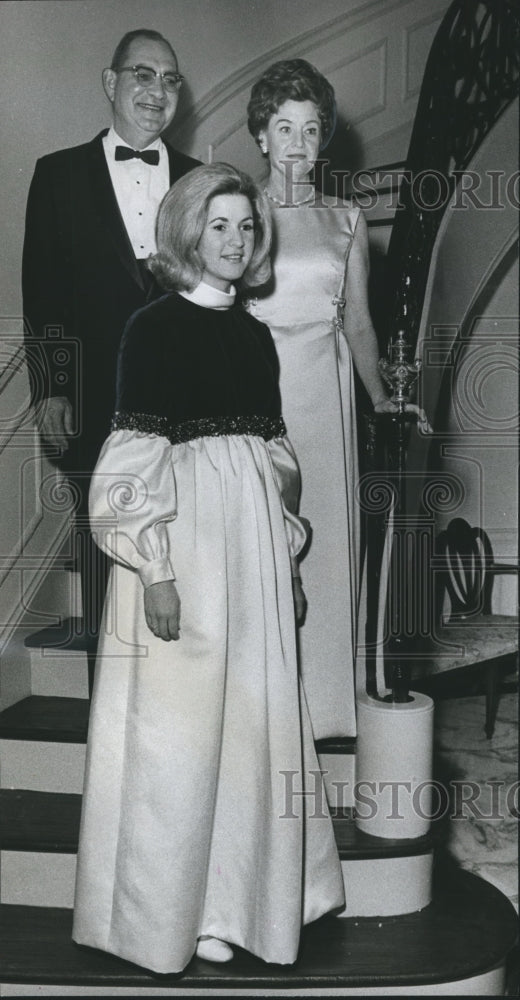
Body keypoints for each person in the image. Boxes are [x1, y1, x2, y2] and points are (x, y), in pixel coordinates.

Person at [72, 163, 345, 974]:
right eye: (219, 226)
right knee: (178, 735)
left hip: (252, 551)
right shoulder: (150, 329)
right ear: (190, 234)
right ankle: (171, 917)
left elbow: (276, 462)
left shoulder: (256, 334)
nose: (235, 241)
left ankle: (239, 904)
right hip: (183, 548)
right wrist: (154, 568)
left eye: (246, 227)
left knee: (251, 729)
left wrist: (286, 558)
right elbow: (131, 462)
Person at [246, 59, 429, 741]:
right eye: (283, 127)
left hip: (324, 398)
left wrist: (380, 395)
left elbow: (358, 323)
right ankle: (262, 713)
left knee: (324, 547)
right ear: (261, 135)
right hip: (255, 392)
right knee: (261, 548)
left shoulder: (347, 219)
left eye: (311, 129)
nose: (298, 144)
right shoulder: (234, 211)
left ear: (323, 140)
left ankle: (325, 712)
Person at [22, 28, 199, 643]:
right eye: (142, 75)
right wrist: (51, 389)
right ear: (111, 83)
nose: (157, 90)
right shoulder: (57, 176)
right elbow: (42, 293)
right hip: (94, 402)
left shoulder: (203, 182)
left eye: (169, 79)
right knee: (104, 559)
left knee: (186, 558)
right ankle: (110, 726)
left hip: (187, 409)